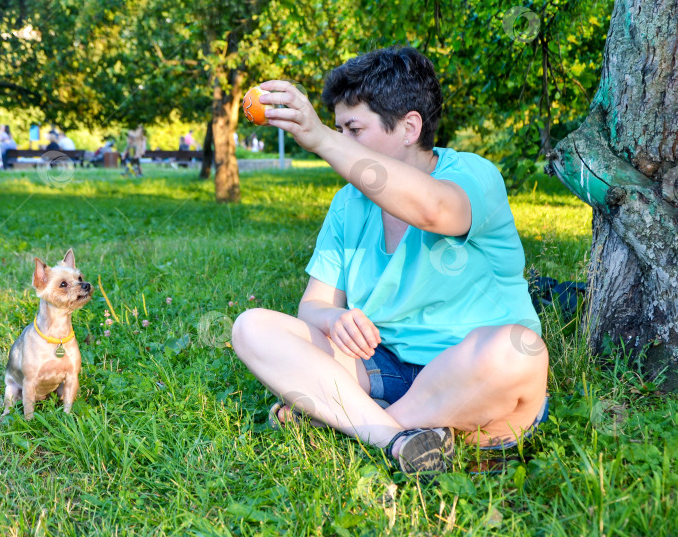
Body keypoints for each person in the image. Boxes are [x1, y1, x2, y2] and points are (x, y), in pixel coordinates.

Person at [231, 46, 549, 476]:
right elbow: (313, 305)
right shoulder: (348, 204)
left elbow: (436, 211)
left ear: (409, 127)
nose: (342, 142)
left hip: (472, 372)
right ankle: (399, 439)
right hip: (384, 364)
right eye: (338, 129)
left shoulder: (473, 175)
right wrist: (331, 320)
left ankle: (357, 420)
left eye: (353, 129)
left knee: (518, 351)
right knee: (253, 327)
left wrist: (320, 137)